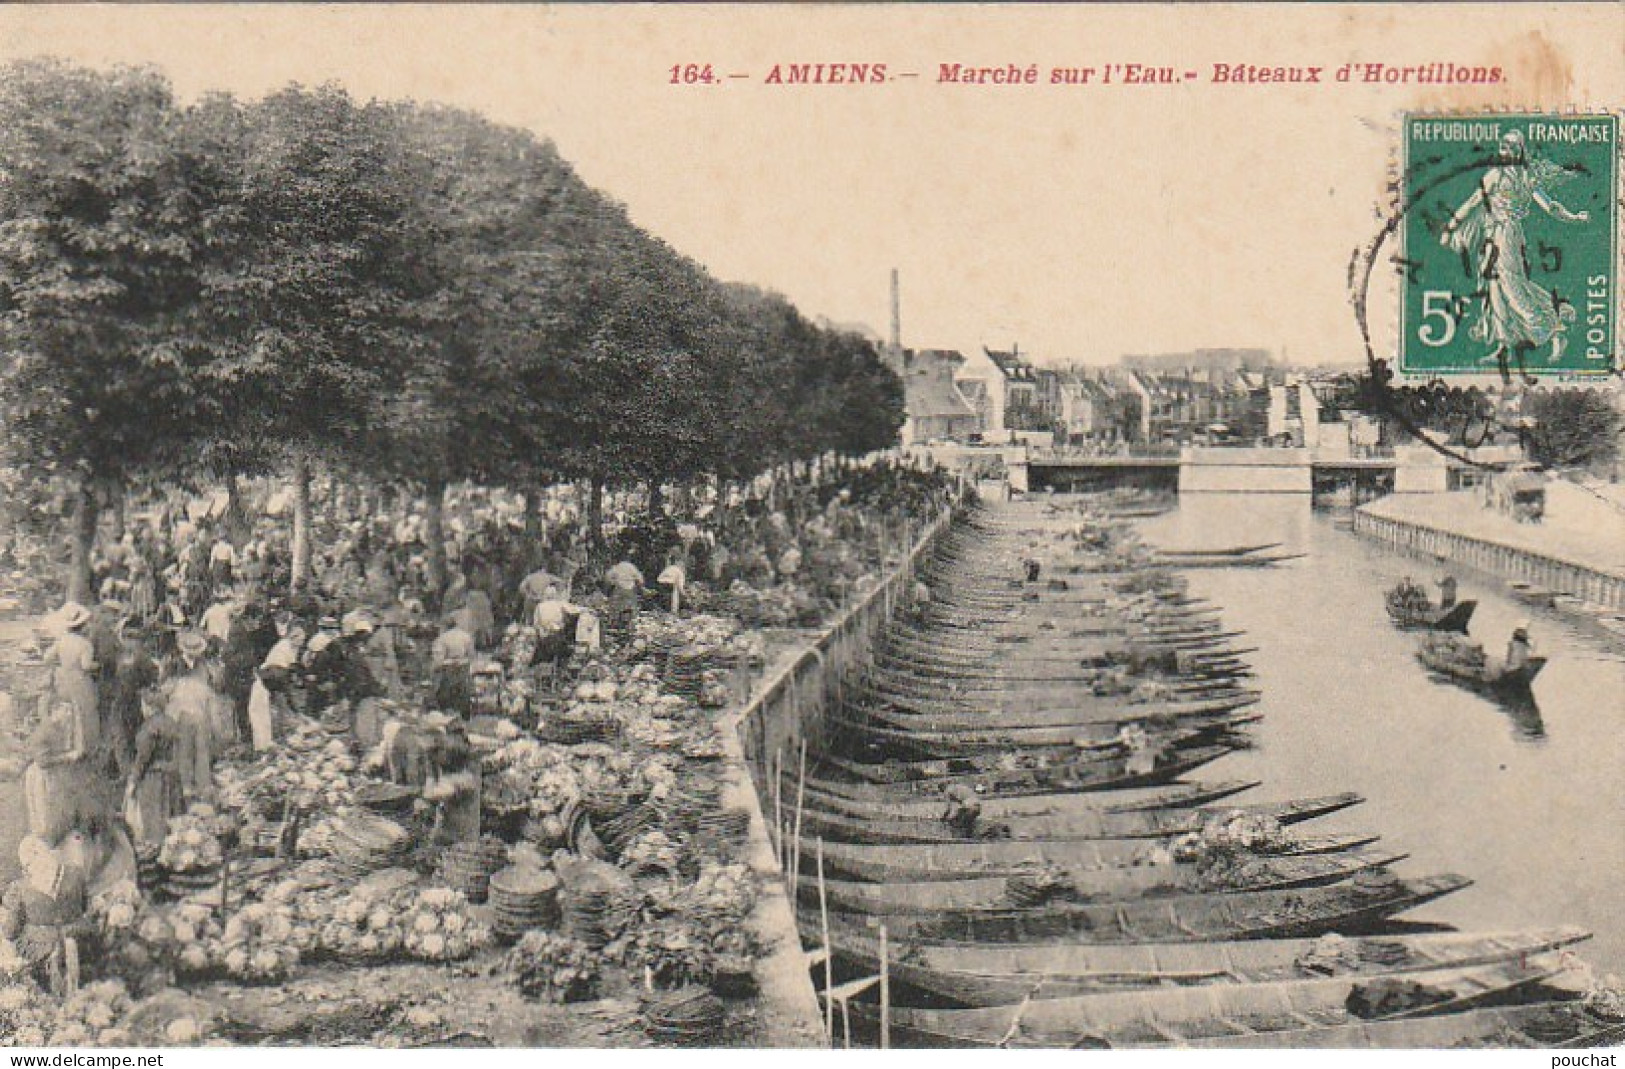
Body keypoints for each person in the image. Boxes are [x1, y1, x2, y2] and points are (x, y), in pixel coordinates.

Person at [1441, 129, 1591, 367]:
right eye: (1504, 147)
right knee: (1494, 289)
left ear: (1520, 151)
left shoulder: (1525, 177)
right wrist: (1451, 227)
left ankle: (1552, 330)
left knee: (1512, 287)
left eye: (1512, 148)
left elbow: (1549, 206)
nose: (1507, 152)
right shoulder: (1495, 175)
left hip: (1508, 235)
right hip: (1493, 235)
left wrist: (1574, 218)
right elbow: (1473, 202)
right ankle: (1503, 347)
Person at [0, 837, 90, 995]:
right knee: (73, 942)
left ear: (26, 866)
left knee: (42, 955)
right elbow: (84, 906)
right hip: (76, 935)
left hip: (40, 944)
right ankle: (67, 971)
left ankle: (55, 972)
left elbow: (10, 931)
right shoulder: (75, 874)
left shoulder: (20, 888)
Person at [164, 631, 224, 800]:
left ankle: (203, 785)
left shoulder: (202, 664)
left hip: (199, 706)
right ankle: (186, 785)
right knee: (184, 748)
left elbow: (211, 686)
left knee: (202, 747)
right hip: (180, 708)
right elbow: (166, 687)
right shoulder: (174, 664)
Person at [247, 621, 305, 751]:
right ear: (293, 638)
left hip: (271, 683)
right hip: (261, 685)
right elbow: (285, 685)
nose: (302, 642)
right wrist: (295, 709)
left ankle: (276, 740)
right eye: (300, 640)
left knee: (276, 713)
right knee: (261, 719)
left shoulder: (290, 648)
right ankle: (262, 749)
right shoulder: (281, 653)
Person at [430, 616, 476, 718]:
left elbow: (438, 659)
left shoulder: (442, 638)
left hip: (448, 667)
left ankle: (447, 710)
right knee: (464, 689)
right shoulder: (466, 636)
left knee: (444, 689)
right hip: (463, 665)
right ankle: (464, 711)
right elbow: (471, 655)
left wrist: (434, 669)